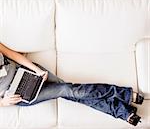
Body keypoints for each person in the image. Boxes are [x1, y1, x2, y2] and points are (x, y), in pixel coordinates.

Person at [0, 43, 144, 126]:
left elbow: (13, 55)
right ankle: (124, 96)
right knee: (69, 90)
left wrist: (37, 70)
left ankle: (124, 112)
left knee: (71, 92)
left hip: (26, 71)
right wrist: (3, 103)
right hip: (14, 93)